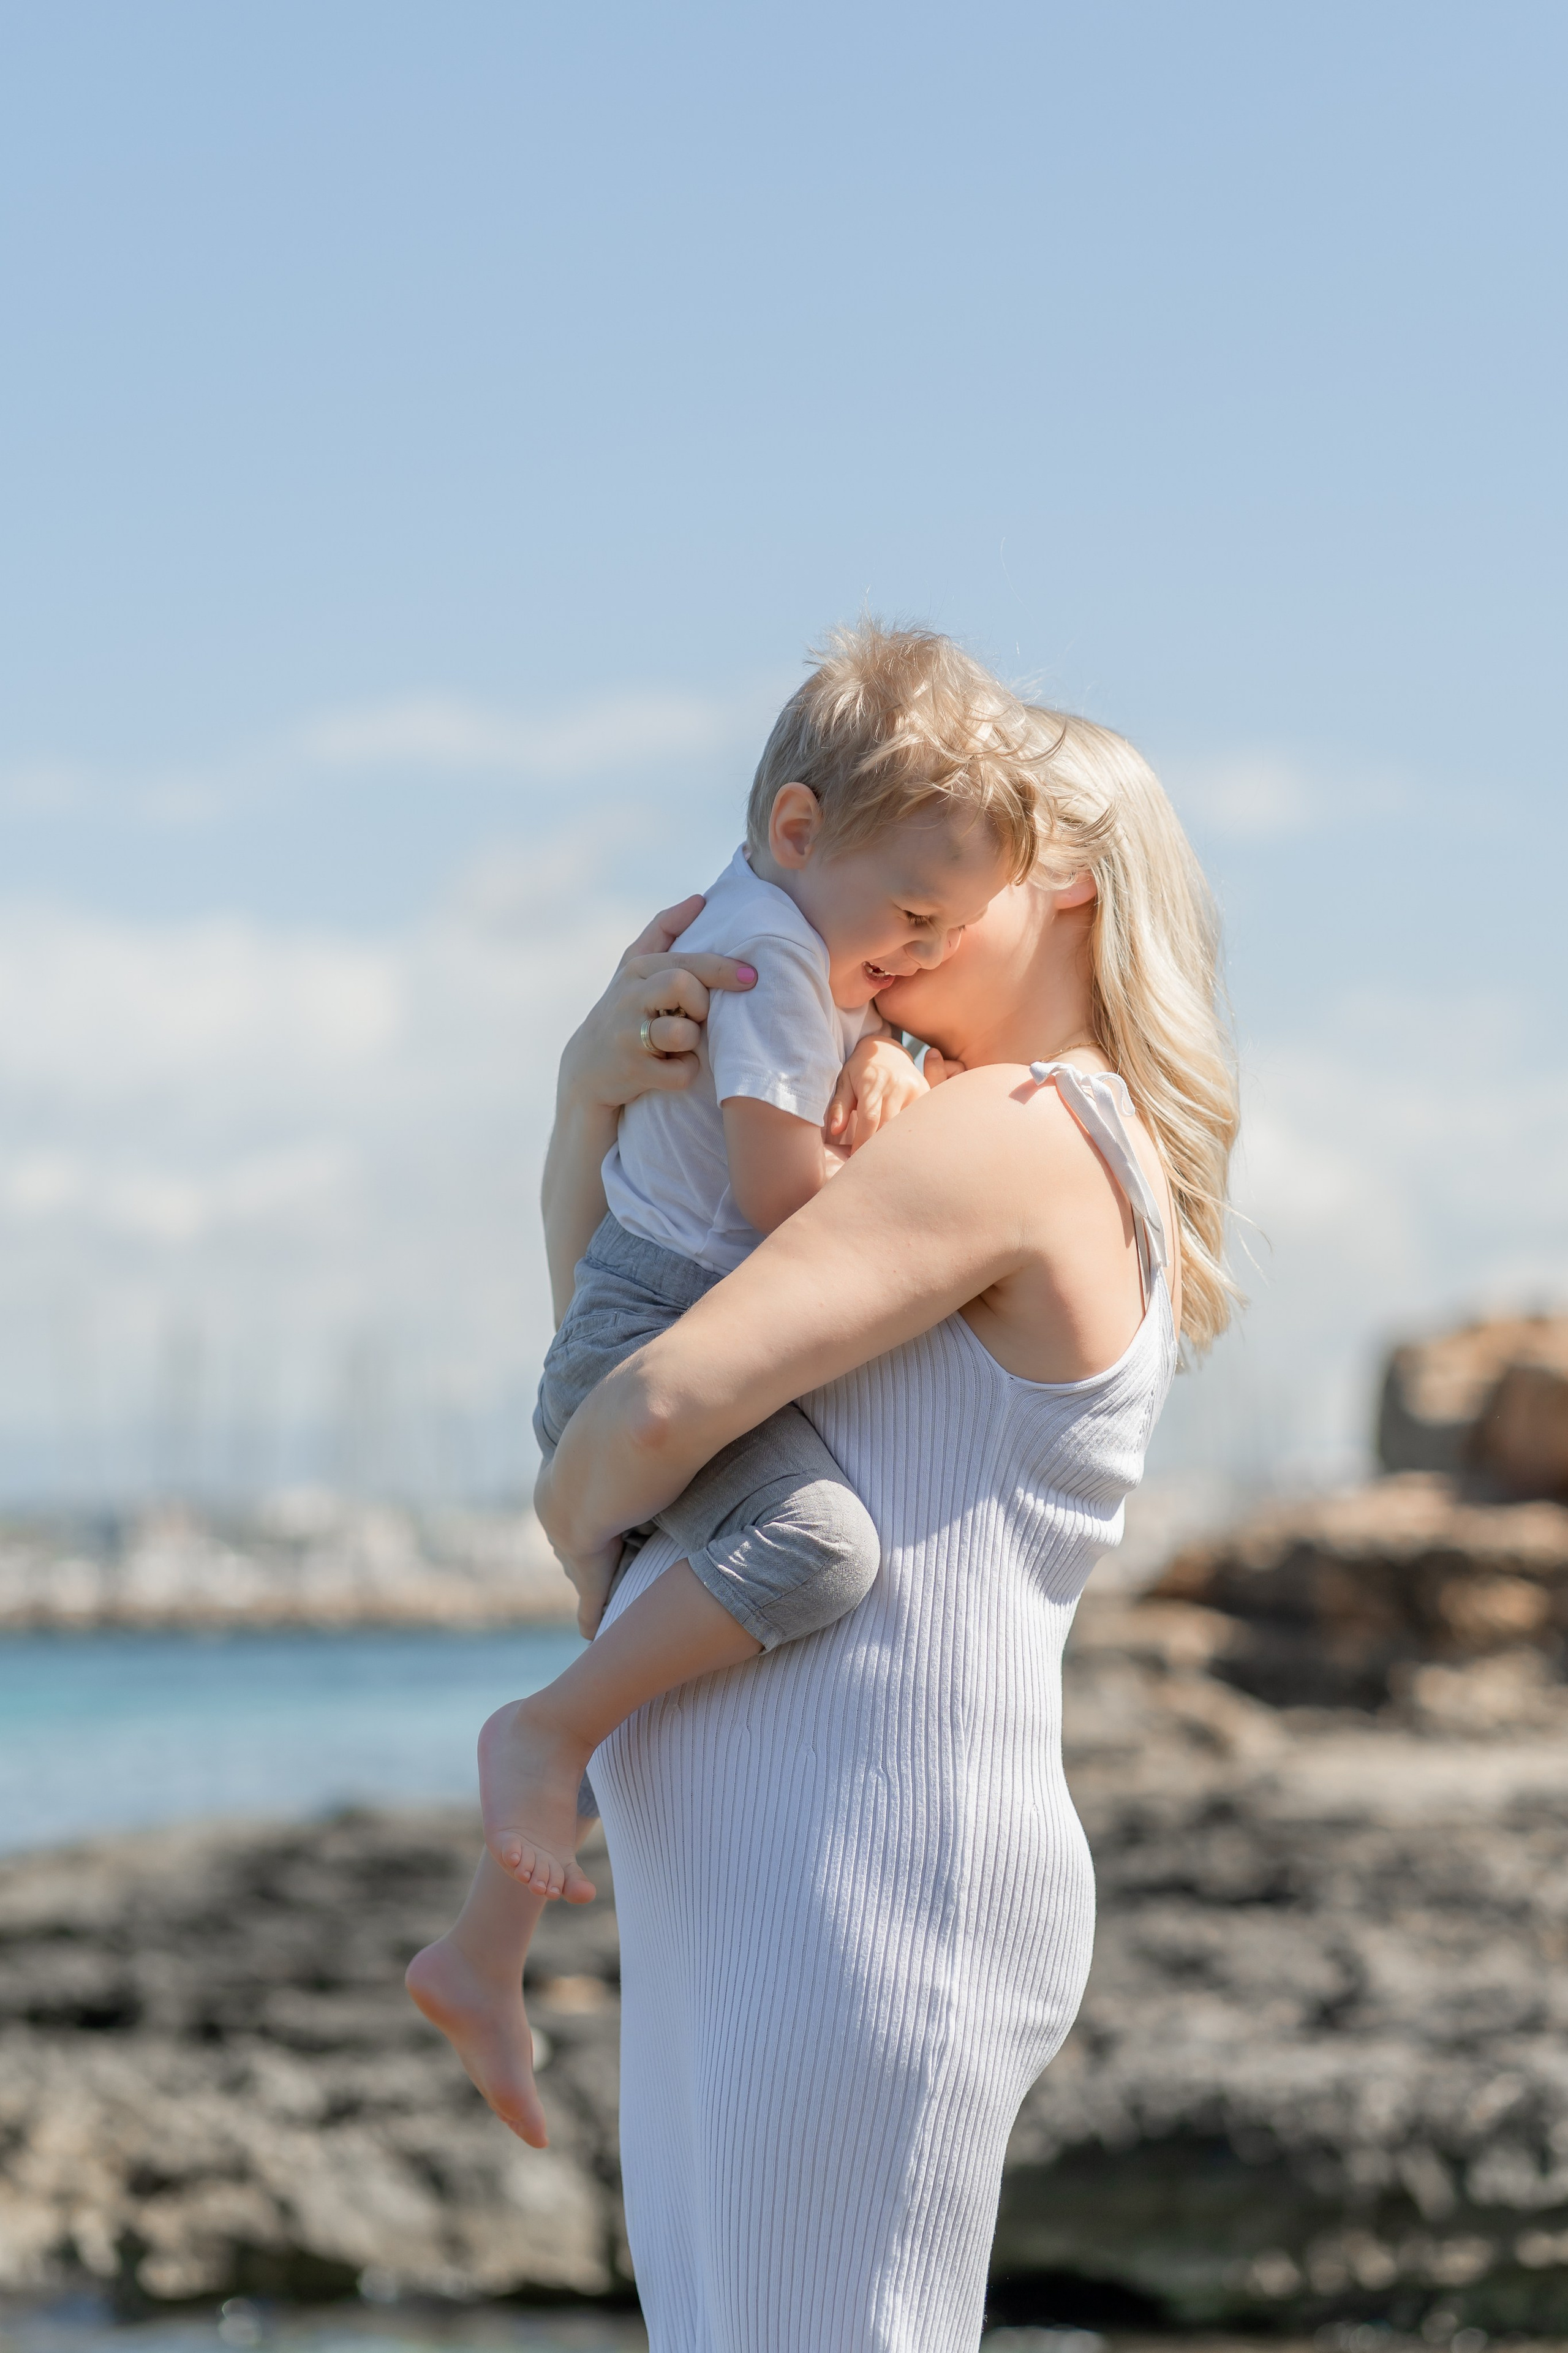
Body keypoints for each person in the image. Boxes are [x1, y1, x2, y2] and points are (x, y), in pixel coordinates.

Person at [529, 703, 1239, 2349]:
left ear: (1054, 879)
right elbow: (630, 1354)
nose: (888, 909)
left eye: (951, 870)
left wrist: (573, 1517)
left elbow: (636, 1418)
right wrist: (589, 1109)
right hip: (784, 1882)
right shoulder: (932, 1127)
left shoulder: (1020, 1132)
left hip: (865, 1875)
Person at [405, 627, 1042, 2099]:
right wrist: (924, 1210)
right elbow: (781, 1209)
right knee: (814, 1550)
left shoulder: (793, 929)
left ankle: (481, 1954)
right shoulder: (763, 969)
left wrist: (886, 1042)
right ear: (797, 827)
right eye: (912, 914)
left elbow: (817, 1053)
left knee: (626, 1614)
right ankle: (540, 1733)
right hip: (646, 1334)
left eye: (951, 933)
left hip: (628, 1328)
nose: (925, 954)